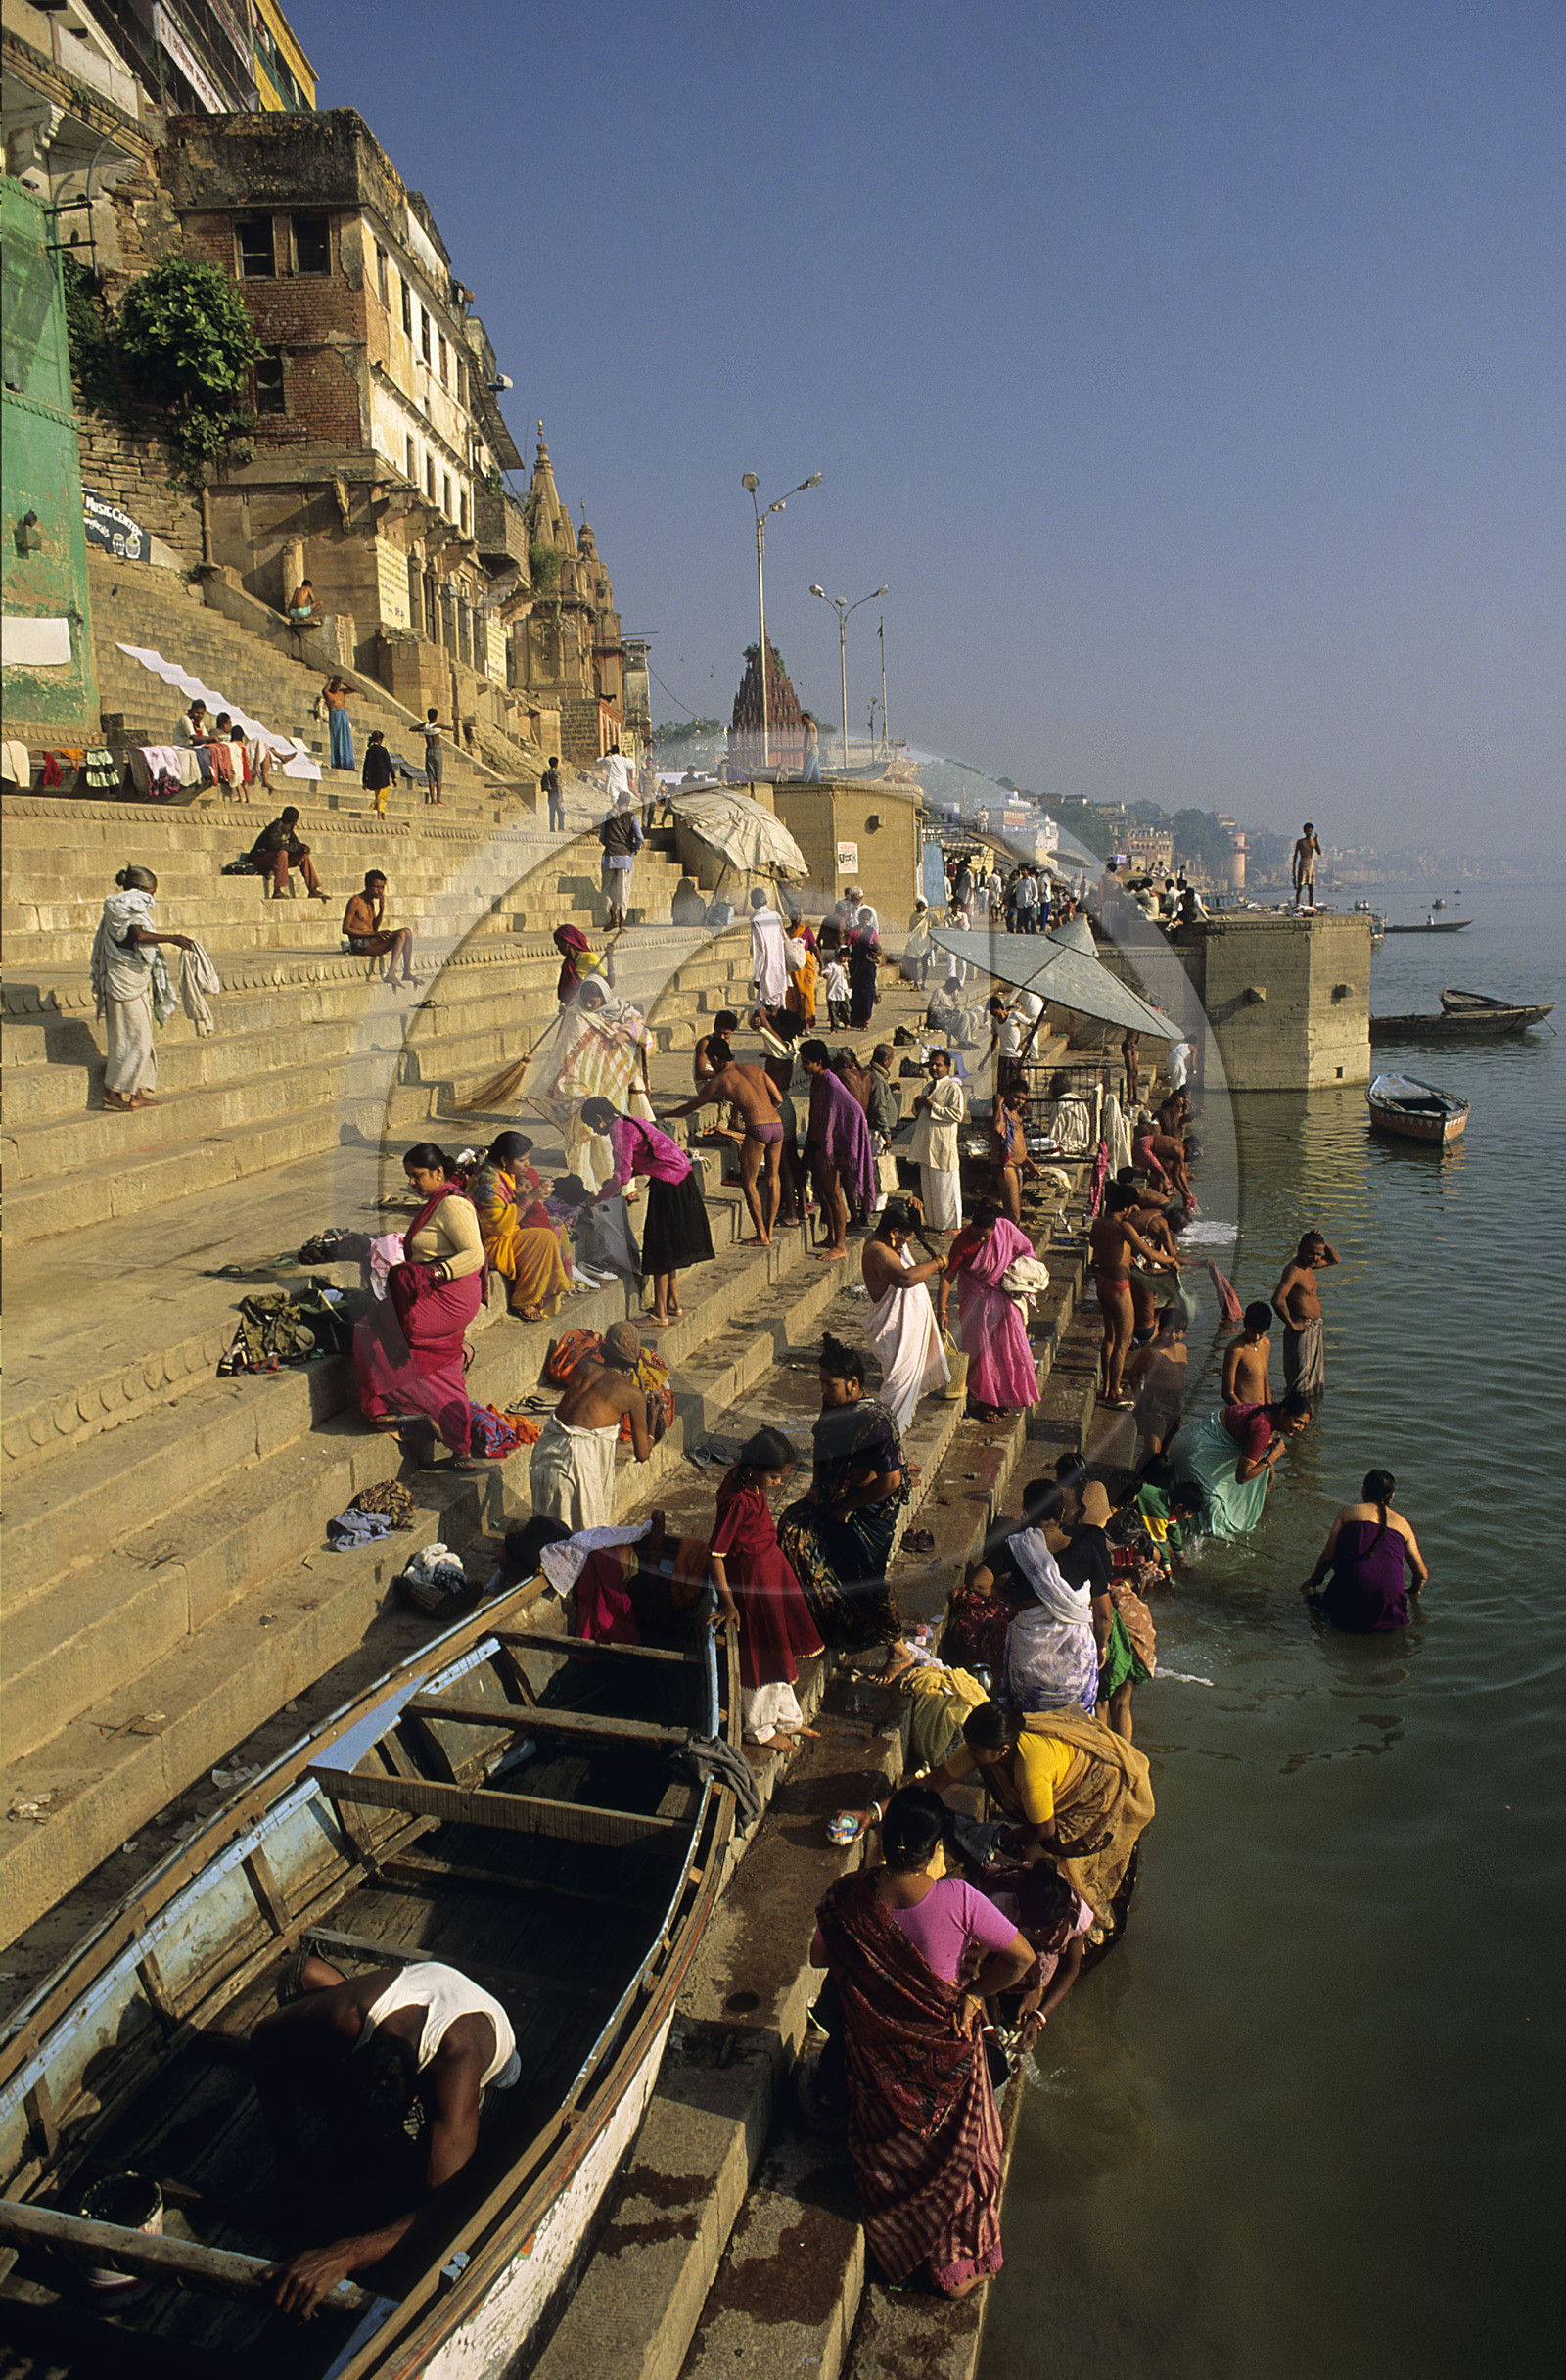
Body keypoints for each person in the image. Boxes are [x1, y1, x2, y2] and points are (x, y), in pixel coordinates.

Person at [810, 1788, 1032, 2299]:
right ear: (936, 1849)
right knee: (970, 2156)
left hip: (878, 2067)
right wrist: (974, 1997)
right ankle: (951, 2258)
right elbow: (1018, 1958)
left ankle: (905, 2229)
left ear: (885, 1844)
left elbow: (820, 1958)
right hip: (945, 2060)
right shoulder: (958, 1898)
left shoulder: (848, 1896)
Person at [252, 1950, 519, 2320]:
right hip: (414, 1992)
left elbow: (443, 2209)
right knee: (300, 1975)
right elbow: (263, 2039)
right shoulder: (347, 2013)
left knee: (430, 2179)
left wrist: (345, 2254)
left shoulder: (457, 2064)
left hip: (493, 2057)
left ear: (414, 2099)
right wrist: (289, 2157)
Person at [924, 1702, 1155, 1943]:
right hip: (1054, 1779)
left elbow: (1045, 1830)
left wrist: (1000, 1837)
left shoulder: (1030, 1771)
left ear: (1002, 1750)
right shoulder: (984, 1747)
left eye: (975, 1751)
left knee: (1068, 1854)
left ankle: (1087, 1918)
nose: (969, 1754)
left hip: (1093, 1785)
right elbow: (936, 1779)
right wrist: (882, 1808)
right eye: (969, 1747)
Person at [777, 1333, 913, 1667]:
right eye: (821, 1383)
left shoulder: (874, 1420)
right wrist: (817, 1486)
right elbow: (822, 1444)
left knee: (864, 1577)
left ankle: (899, 1652)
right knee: (794, 1531)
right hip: (834, 1497)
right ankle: (828, 1624)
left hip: (869, 1508)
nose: (824, 1391)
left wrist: (850, 1507)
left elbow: (890, 1481)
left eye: (831, 1384)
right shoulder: (834, 1407)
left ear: (854, 1384)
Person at [352, 1144, 484, 1466]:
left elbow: (475, 1254)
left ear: (439, 1172)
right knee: (442, 1361)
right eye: (408, 1176)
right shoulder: (439, 1201)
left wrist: (436, 1273)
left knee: (371, 1332)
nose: (411, 1183)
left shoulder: (452, 1204)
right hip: (444, 1294)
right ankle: (460, 1445)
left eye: (417, 1175)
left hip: (445, 1294)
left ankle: (397, 1406)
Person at [708, 1427, 825, 1747]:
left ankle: (787, 1719)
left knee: (779, 1649)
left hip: (771, 1575)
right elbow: (715, 1554)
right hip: (753, 1586)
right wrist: (728, 1603)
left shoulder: (749, 1483)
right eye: (774, 1477)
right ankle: (759, 1729)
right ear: (755, 1469)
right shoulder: (737, 1500)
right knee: (762, 1657)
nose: (778, 1483)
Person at [579, 1097, 714, 1326]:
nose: (595, 1130)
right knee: (669, 1244)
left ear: (600, 1119)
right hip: (681, 1178)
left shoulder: (618, 1132)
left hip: (669, 1185)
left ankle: (659, 1313)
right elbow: (642, 1161)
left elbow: (621, 1176)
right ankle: (673, 1302)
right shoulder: (632, 1121)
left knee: (660, 1247)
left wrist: (596, 1199)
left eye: (593, 1125)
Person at [528, 1320, 653, 1528]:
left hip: (546, 1454)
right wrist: (652, 1425)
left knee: (548, 1537)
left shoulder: (585, 1366)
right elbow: (642, 1453)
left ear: (603, 1349)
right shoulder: (633, 1395)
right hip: (576, 1470)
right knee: (578, 1544)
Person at [89, 865, 194, 1111]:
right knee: (135, 1039)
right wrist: (171, 938)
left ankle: (137, 1093)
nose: (152, 899)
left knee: (136, 1036)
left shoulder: (117, 909)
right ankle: (112, 1091)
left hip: (126, 979)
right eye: (152, 893)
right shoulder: (131, 908)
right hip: (124, 982)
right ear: (143, 890)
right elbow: (137, 936)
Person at [537, 975, 654, 1192]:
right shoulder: (576, 1012)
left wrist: (626, 1034)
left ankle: (620, 1187)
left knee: (611, 1137)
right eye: (587, 1000)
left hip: (612, 1086)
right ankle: (584, 1188)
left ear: (604, 996)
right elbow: (565, 1048)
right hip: (582, 1085)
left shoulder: (623, 1011)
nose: (590, 1005)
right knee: (580, 1137)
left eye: (594, 1000)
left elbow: (647, 1037)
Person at [663, 1038, 784, 1245]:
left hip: (758, 1128)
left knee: (749, 1182)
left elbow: (692, 1105)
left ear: (716, 1059)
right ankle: (771, 1231)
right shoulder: (754, 1069)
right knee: (773, 1178)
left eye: (711, 1061)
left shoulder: (719, 1081)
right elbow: (778, 1099)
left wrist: (666, 1113)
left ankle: (762, 1235)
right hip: (777, 1124)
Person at [999, 1482, 1100, 1719]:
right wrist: (1103, 1646)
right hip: (1075, 1671)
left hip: (1029, 1672)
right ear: (1062, 1514)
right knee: (1076, 1723)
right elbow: (1104, 1615)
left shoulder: (1018, 1546)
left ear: (1026, 1513)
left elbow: (978, 1583)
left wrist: (1011, 1595)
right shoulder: (1085, 1549)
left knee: (1030, 1724)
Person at [937, 1201, 1039, 1425]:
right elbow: (948, 1276)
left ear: (995, 1228)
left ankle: (1001, 1396)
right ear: (971, 1226)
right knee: (983, 1352)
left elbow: (1025, 1251)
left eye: (986, 1236)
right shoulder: (962, 1243)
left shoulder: (1005, 1229)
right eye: (978, 1235)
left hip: (1002, 1294)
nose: (982, 1240)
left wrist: (1015, 1272)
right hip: (976, 1299)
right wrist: (941, 1309)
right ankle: (985, 1399)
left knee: (1007, 1348)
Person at [1167, 1388, 1313, 1540]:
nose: (1300, 1428)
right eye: (1298, 1422)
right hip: (1191, 1454)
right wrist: (1272, 1457)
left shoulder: (1263, 1412)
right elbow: (1242, 1477)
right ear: (1283, 1413)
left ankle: (1178, 1538)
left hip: (1184, 1439)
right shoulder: (1262, 1430)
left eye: (1303, 1425)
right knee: (1213, 1512)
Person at [1088, 1183, 1180, 1410]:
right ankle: (1113, 1392)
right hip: (1119, 1287)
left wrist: (1122, 1257)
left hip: (1102, 1282)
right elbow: (1149, 1252)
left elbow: (1095, 1244)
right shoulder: (1123, 1227)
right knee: (1124, 1340)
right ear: (1128, 1208)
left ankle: (1106, 1387)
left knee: (1110, 1337)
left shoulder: (1099, 1223)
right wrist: (1172, 1261)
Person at [860, 1199, 949, 1434]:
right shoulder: (878, 1250)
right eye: (906, 1236)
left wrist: (915, 1210)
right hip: (895, 1334)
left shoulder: (893, 1243)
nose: (908, 1241)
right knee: (897, 1391)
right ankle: (881, 1450)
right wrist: (938, 1262)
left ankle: (892, 1452)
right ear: (893, 1232)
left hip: (906, 1332)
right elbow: (905, 1278)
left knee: (902, 1394)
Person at [1301, 1470, 1430, 1631]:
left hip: (1350, 1598)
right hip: (1388, 1607)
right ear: (1392, 1497)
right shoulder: (1404, 1525)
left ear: (1364, 1491)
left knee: (1312, 1606)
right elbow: (1422, 1575)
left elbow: (1328, 1557)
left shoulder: (1348, 1513)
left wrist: (1314, 1581)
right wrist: (1412, 1591)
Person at [468, 1130, 573, 1320]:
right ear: (505, 1160)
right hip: (491, 1243)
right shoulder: (488, 1183)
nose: (527, 1164)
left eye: (528, 1159)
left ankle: (545, 1292)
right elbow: (501, 1227)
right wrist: (531, 1198)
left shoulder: (500, 1171)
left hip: (506, 1233)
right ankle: (524, 1299)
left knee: (552, 1230)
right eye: (522, 1160)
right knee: (543, 1240)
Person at [800, 1039, 874, 1263]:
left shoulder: (832, 1082)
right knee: (822, 1194)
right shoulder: (816, 1080)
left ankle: (840, 1245)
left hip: (827, 1148)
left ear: (819, 1062)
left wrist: (837, 1141)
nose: (802, 1066)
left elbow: (855, 1112)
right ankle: (832, 1236)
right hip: (815, 1145)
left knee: (833, 1196)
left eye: (806, 1062)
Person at [1271, 1230, 1339, 1395]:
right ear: (1300, 1249)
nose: (1315, 1258)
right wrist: (1292, 1324)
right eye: (1311, 1253)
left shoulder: (1310, 1266)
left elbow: (1335, 1259)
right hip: (1302, 1328)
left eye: (1318, 1254)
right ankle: (1294, 1413)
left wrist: (1324, 1242)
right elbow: (1277, 1300)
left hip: (1314, 1327)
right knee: (1300, 1378)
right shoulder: (1294, 1270)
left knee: (1313, 1380)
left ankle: (1311, 1414)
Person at [907, 1049, 965, 1235]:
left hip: (942, 1144)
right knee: (930, 1186)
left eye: (938, 1065)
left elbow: (957, 1114)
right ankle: (934, 1222)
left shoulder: (952, 1088)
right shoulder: (929, 1087)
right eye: (931, 1064)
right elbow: (919, 1113)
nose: (934, 1068)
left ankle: (953, 1225)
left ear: (946, 1067)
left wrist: (933, 1106)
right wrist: (918, 1104)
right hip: (927, 1143)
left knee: (946, 1187)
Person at [1125, 1308, 1189, 1457]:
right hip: (1154, 1405)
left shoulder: (1183, 1349)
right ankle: (1138, 1479)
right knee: (1152, 1452)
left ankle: (1152, 1479)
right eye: (1168, 1331)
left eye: (1178, 1332)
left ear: (1184, 1333)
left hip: (1176, 1404)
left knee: (1164, 1452)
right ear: (1160, 1330)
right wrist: (1139, 1399)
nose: (1172, 1336)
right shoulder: (1151, 1352)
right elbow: (1134, 1374)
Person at [342, 871, 417, 989]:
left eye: (382, 887)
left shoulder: (371, 902)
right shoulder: (356, 901)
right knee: (402, 933)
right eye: (377, 887)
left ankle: (407, 972)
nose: (379, 891)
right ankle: (391, 973)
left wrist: (381, 911)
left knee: (407, 932)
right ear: (367, 885)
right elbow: (345, 929)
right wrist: (373, 933)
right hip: (359, 944)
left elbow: (374, 927)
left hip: (370, 940)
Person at [249, 806, 327, 901]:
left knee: (303, 857)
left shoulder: (288, 830)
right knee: (282, 853)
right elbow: (275, 845)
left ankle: (313, 889)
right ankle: (278, 890)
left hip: (275, 860)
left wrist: (302, 848)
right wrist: (296, 847)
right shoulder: (276, 827)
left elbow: (296, 844)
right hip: (260, 859)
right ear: (294, 820)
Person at [991, 1083, 1039, 1226]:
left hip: (1017, 1166)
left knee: (1014, 1214)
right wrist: (999, 1104)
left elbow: (1017, 1146)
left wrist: (1030, 1164)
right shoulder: (999, 1111)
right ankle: (1008, 1244)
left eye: (1023, 1099)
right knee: (1013, 1215)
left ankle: (1009, 1243)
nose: (1020, 1102)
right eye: (1016, 1097)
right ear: (1007, 1093)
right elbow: (998, 1129)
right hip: (1006, 1166)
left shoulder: (1015, 1113)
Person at [599, 788, 643, 928]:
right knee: (623, 891)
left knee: (607, 889)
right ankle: (622, 922)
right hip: (625, 858)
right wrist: (634, 849)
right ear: (628, 803)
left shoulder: (608, 815)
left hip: (609, 857)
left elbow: (602, 837)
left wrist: (610, 845)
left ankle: (613, 916)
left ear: (618, 801)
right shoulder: (632, 817)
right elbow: (640, 838)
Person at [1221, 1302, 1275, 1407]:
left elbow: (1264, 1380)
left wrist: (1270, 1409)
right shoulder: (1236, 1349)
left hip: (1260, 1409)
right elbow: (1227, 1393)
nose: (1256, 1337)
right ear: (1245, 1325)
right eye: (1252, 1331)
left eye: (1261, 1333)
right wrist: (1245, 1413)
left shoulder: (1266, 1344)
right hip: (1241, 1411)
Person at [749, 886, 789, 1007]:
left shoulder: (756, 920)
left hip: (767, 969)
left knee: (768, 1006)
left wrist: (756, 976)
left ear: (752, 902)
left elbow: (760, 950)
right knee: (779, 1002)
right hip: (780, 966)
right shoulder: (776, 916)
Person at [783, 914, 817, 1025]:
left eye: (798, 914)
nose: (796, 917)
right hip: (791, 968)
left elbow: (814, 946)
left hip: (805, 967)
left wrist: (822, 963)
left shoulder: (806, 930)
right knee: (793, 995)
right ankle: (795, 1023)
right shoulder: (785, 932)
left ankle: (807, 1022)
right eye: (794, 914)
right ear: (789, 916)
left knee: (806, 994)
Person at [320, 677, 353, 772]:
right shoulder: (328, 693)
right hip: (335, 715)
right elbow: (324, 691)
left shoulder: (342, 692)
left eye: (339, 687)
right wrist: (330, 681)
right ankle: (338, 762)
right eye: (336, 687)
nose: (337, 689)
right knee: (336, 739)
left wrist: (344, 682)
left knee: (346, 739)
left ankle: (348, 763)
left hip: (343, 715)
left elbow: (354, 689)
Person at [361, 729, 395, 818]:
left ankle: (381, 814)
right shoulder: (383, 750)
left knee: (378, 796)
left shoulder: (369, 751)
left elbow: (366, 766)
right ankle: (380, 815)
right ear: (380, 740)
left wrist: (364, 780)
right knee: (382, 797)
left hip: (373, 778)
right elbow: (389, 764)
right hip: (383, 777)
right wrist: (393, 777)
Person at [1292, 820, 1322, 911]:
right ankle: (1298, 904)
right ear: (1304, 831)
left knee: (1311, 887)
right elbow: (1295, 855)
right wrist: (1293, 870)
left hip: (1311, 864)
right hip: (1303, 862)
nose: (1309, 833)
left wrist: (1316, 841)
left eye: (1311, 831)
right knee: (1300, 886)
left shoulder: (1313, 842)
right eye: (1308, 831)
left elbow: (1319, 852)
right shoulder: (1300, 842)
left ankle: (1311, 905)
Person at [822, 947, 850, 1028]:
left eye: (846, 957)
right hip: (833, 991)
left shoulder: (845, 966)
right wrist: (824, 973)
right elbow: (826, 971)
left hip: (844, 991)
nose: (844, 959)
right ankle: (834, 1027)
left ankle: (847, 1023)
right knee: (833, 1010)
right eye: (843, 956)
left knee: (846, 1008)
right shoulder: (832, 965)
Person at [541, 753, 565, 831]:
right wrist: (560, 796)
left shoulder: (547, 773)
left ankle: (552, 828)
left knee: (552, 811)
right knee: (561, 811)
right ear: (556, 764)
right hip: (556, 793)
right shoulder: (556, 773)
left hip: (550, 794)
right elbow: (558, 785)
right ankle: (560, 828)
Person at [1121, 1029, 1140, 1106]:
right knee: (1130, 1070)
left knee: (1135, 1072)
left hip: (1132, 1046)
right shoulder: (1132, 1026)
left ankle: (1135, 1097)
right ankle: (1129, 1097)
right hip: (1127, 1046)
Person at [801, 712, 821, 781]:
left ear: (807, 718)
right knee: (815, 769)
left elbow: (809, 740)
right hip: (815, 748)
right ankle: (818, 784)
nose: (803, 721)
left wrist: (806, 751)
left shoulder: (809, 726)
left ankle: (804, 784)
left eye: (803, 719)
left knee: (808, 768)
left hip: (812, 748)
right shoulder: (812, 725)